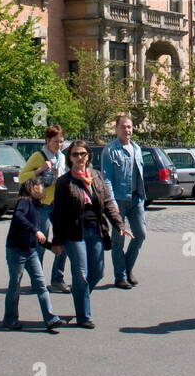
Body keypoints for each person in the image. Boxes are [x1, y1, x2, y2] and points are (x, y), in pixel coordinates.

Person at [50, 142, 129, 328]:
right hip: (74, 233)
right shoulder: (64, 182)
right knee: (81, 273)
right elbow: (58, 213)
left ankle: (80, 295)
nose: (80, 158)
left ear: (89, 156)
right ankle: (84, 316)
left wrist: (119, 224)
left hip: (96, 230)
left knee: (98, 272)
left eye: (83, 154)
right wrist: (57, 240)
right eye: (75, 154)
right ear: (70, 158)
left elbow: (107, 202)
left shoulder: (96, 176)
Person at [3, 177, 64, 333]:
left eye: (42, 186)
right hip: (16, 250)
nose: (41, 188)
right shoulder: (24, 201)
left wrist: (50, 247)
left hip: (31, 251)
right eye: (38, 186)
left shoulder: (37, 206)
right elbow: (18, 217)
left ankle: (51, 319)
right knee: (15, 284)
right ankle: (10, 319)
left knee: (41, 284)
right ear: (30, 188)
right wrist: (35, 230)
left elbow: (37, 237)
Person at [17, 126, 69, 293]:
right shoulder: (38, 156)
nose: (58, 145)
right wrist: (40, 170)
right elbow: (22, 177)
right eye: (55, 142)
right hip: (42, 206)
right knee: (41, 243)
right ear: (47, 141)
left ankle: (57, 279)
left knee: (63, 241)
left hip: (59, 205)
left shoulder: (61, 157)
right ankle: (37, 281)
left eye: (61, 142)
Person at [101, 114, 146, 289]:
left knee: (140, 234)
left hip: (136, 199)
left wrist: (141, 196)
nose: (127, 130)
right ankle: (120, 276)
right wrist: (111, 202)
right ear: (116, 129)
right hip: (118, 200)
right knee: (118, 240)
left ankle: (127, 268)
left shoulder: (137, 148)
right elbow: (107, 179)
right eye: (123, 127)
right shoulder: (110, 150)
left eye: (129, 127)